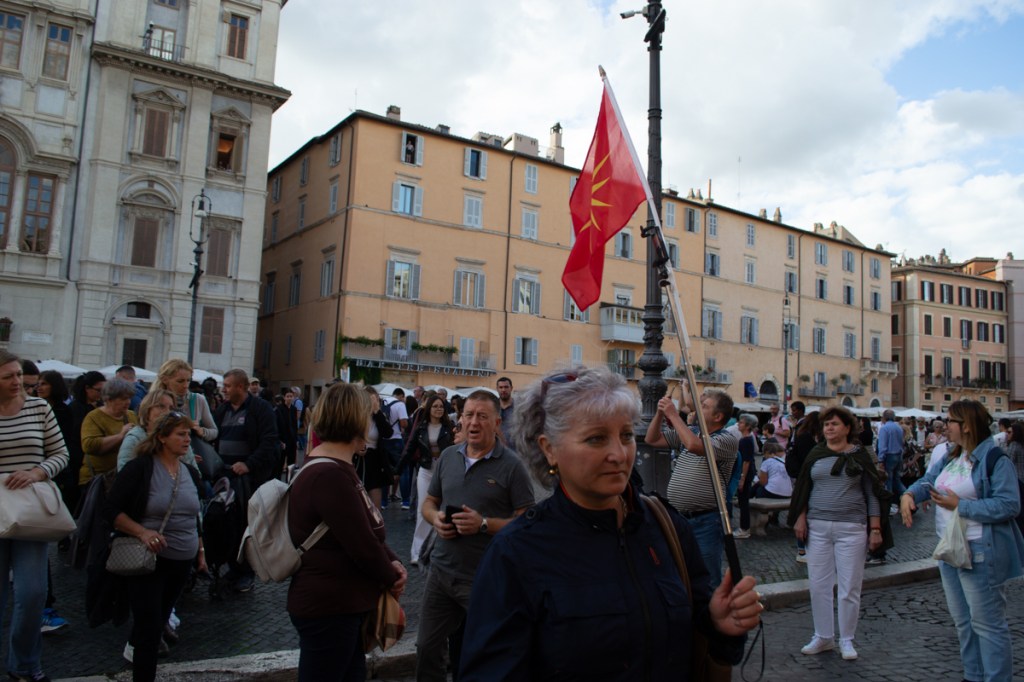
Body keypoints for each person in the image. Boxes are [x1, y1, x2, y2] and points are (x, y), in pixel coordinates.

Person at [460, 366, 761, 680]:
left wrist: (718, 625)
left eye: (626, 435)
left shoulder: (666, 527)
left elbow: (695, 631)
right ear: (549, 449)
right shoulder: (516, 552)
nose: (619, 454)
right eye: (596, 439)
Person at [287, 382, 406, 682]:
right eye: (367, 415)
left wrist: (392, 560)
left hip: (341, 603)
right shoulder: (329, 474)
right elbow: (362, 544)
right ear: (355, 419)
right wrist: (391, 575)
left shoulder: (338, 467)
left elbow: (363, 528)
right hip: (329, 606)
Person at [900, 400, 1023, 682]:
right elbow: (928, 481)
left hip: (980, 550)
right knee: (964, 623)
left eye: (950, 421)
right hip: (949, 549)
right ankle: (973, 676)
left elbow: (1009, 504)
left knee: (988, 625)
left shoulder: (995, 459)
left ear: (966, 425)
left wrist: (961, 506)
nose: (945, 426)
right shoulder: (952, 455)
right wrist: (909, 494)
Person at [416, 390, 534, 682]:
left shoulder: (512, 466)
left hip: (484, 578)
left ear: (497, 422)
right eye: (468, 415)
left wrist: (483, 524)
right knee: (427, 648)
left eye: (482, 416)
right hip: (441, 571)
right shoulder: (448, 457)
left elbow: (527, 524)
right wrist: (435, 519)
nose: (473, 422)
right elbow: (429, 502)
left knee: (486, 654)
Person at [104, 412, 206, 682]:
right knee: (148, 628)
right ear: (161, 437)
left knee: (158, 623)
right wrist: (142, 532)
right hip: (149, 561)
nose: (187, 439)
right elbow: (110, 509)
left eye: (188, 434)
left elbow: (195, 516)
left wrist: (201, 551)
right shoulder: (139, 469)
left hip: (182, 562)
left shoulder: (188, 472)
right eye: (180, 434)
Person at [788, 405, 887, 662]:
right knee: (818, 584)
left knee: (849, 587)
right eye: (826, 424)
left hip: (852, 528)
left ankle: (847, 639)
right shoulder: (816, 454)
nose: (829, 428)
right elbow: (804, 488)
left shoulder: (860, 455)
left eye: (834, 424)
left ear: (847, 427)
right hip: (817, 526)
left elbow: (872, 494)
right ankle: (823, 636)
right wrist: (800, 517)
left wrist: (875, 529)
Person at [0, 352, 70, 682]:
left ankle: (25, 666)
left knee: (32, 594)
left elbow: (61, 454)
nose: (17, 382)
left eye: (18, 375)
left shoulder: (39, 408)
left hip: (31, 511)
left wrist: (37, 472)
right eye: (8, 377)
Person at [646, 385, 737, 587]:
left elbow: (694, 446)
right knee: (678, 572)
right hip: (679, 518)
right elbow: (652, 439)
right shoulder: (691, 432)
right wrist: (660, 414)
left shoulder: (727, 439)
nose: (697, 409)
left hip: (707, 519)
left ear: (718, 416)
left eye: (704, 406)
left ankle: (711, 608)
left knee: (708, 577)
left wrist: (673, 414)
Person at [213, 369, 279, 593]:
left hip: (249, 479)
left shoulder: (260, 409)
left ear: (240, 387)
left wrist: (249, 464)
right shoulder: (222, 410)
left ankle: (246, 571)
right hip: (225, 477)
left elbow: (269, 441)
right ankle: (232, 566)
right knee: (227, 523)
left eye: (228, 386)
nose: (224, 390)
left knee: (246, 525)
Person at [400, 394, 456, 565]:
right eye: (435, 406)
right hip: (426, 471)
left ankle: (438, 550)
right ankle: (417, 552)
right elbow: (409, 449)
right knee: (422, 510)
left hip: (445, 472)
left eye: (441, 406)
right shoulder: (421, 428)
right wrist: (397, 470)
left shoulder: (449, 427)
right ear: (429, 408)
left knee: (444, 510)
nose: (439, 409)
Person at [79, 378, 139, 491]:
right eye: (123, 398)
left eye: (129, 398)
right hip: (98, 481)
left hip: (123, 478)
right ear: (109, 399)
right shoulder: (93, 417)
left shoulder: (131, 416)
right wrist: (120, 436)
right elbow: (89, 445)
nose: (128, 402)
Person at [117, 390, 195, 472]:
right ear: (147, 410)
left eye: (171, 408)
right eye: (161, 406)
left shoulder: (181, 438)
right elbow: (124, 476)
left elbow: (195, 474)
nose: (167, 412)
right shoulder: (134, 439)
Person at [151, 359, 218, 454]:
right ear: (165, 380)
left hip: (191, 456)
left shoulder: (197, 400)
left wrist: (201, 431)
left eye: (188, 380)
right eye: (180, 381)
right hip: (161, 455)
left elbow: (214, 431)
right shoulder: (154, 401)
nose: (185, 386)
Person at [66, 371, 106, 513]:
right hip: (78, 460)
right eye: (99, 390)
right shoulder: (76, 408)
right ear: (87, 389)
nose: (101, 394)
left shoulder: (98, 406)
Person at [358, 386, 394, 510]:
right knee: (358, 500)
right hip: (357, 459)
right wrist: (356, 448)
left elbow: (388, 433)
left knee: (375, 503)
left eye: (376, 400)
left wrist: (377, 411)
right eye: (370, 400)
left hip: (374, 460)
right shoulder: (356, 415)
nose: (373, 403)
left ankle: (375, 521)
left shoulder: (378, 416)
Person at [382, 389, 410, 509]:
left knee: (384, 471)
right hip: (396, 439)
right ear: (401, 396)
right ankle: (406, 502)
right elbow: (404, 423)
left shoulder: (383, 401)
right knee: (403, 471)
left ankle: (383, 502)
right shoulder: (400, 404)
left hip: (383, 440)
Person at [733, 413, 759, 539]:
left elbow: (746, 461)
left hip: (746, 475)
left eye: (741, 422)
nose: (739, 424)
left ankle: (744, 528)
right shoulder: (747, 439)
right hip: (746, 474)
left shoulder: (746, 440)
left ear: (748, 426)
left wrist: (742, 478)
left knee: (743, 502)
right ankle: (744, 527)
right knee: (743, 501)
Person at [275, 389, 299, 472]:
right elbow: (277, 425)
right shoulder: (279, 409)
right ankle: (277, 479)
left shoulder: (294, 409)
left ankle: (290, 479)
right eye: (287, 396)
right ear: (284, 397)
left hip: (292, 439)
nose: (289, 398)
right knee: (280, 462)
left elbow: (295, 425)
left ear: (293, 397)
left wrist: (296, 439)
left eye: (291, 396)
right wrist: (280, 440)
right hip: (283, 439)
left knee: (291, 463)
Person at [496, 376, 514, 444]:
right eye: (501, 387)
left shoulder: (519, 408)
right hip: (496, 447)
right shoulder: (492, 407)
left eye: (506, 387)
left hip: (514, 448)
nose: (503, 390)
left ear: (511, 388)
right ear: (497, 389)